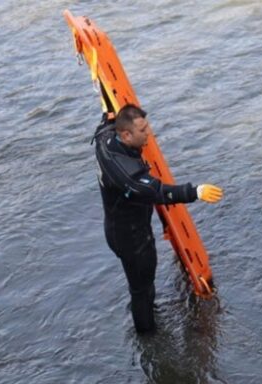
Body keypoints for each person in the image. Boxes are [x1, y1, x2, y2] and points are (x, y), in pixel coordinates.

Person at [93, 104, 223, 334]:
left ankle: (150, 319)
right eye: (143, 130)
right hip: (131, 238)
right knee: (142, 290)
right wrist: (195, 192)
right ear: (126, 135)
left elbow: (106, 122)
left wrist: (107, 110)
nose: (149, 133)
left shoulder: (105, 139)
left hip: (120, 227)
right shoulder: (127, 174)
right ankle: (148, 337)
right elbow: (159, 192)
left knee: (142, 285)